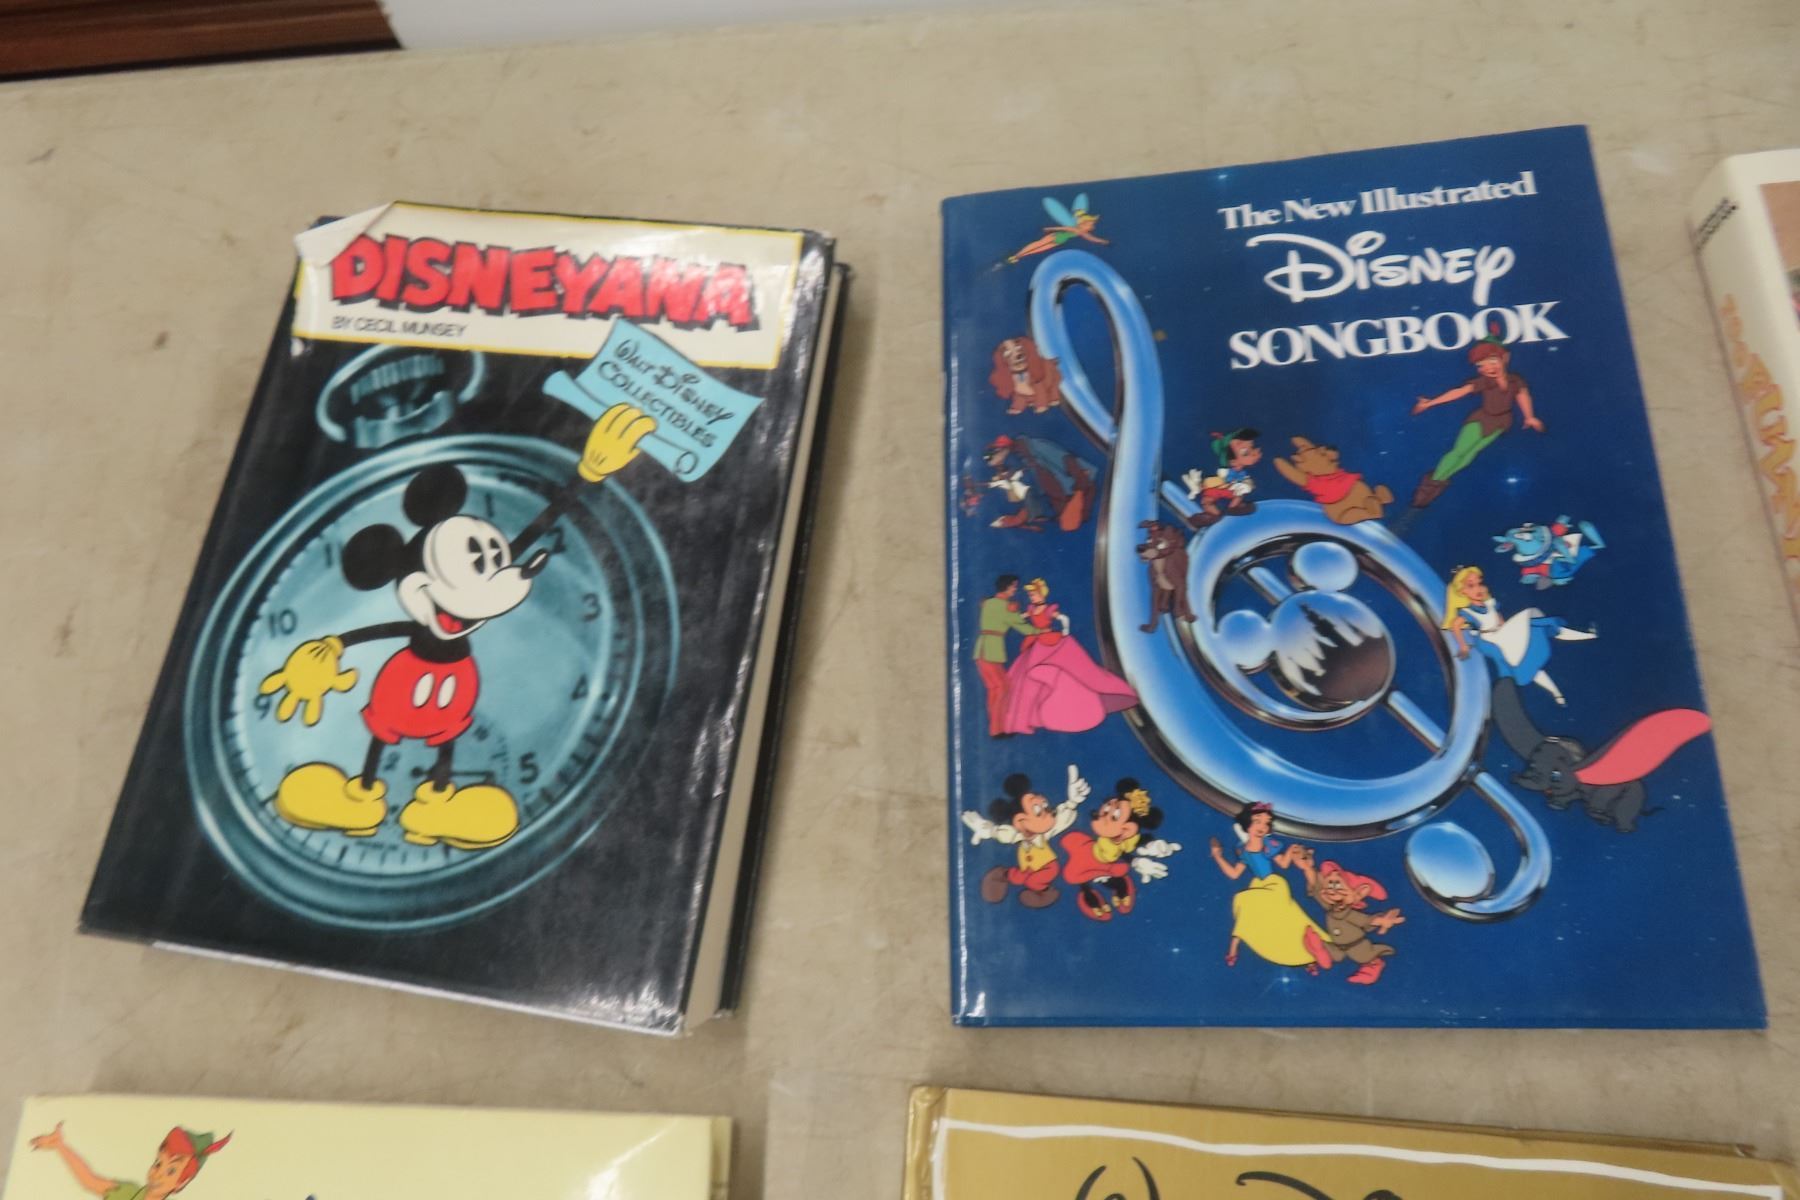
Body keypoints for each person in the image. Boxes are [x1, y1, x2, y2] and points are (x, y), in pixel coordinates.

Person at [1409, 330, 1543, 508]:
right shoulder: (1485, 381)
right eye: (1481, 365)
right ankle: (1430, 486)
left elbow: (1523, 396)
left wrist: (1529, 417)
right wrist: (1431, 403)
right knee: (1459, 452)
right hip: (1480, 421)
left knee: (1470, 455)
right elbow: (1460, 391)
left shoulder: (1515, 381)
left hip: (1501, 423)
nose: (1488, 368)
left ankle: (1439, 482)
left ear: (1505, 358)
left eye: (1492, 361)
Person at [1442, 565, 1596, 705]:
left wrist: (1508, 629)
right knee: (1534, 624)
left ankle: (1559, 693)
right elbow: (1456, 625)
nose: (1478, 588)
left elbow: (1499, 619)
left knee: (1537, 629)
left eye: (1479, 583)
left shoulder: (1489, 603)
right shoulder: (1468, 612)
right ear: (1462, 591)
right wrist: (1463, 646)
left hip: (1502, 633)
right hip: (1490, 640)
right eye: (1471, 585)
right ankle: (1557, 691)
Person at [1000, 579, 1138, 735]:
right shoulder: (1032, 609)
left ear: (1041, 594)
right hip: (1036, 643)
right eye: (1030, 595)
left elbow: (1063, 618)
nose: (1032, 597)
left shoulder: (1048, 609)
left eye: (1034, 594)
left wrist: (1065, 631)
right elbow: (1021, 617)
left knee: (1050, 671)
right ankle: (1025, 715)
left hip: (1049, 642)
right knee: (1026, 678)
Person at [1207, 803, 1332, 970]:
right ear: (1247, 824)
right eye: (1257, 821)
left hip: (1275, 885)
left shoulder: (1269, 845)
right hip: (1259, 885)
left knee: (1283, 916)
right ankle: (1235, 948)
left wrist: (1290, 851)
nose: (1262, 827)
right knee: (1254, 912)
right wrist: (1218, 857)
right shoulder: (1243, 851)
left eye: (1266, 823)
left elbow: (1283, 864)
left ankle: (1310, 955)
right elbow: (1234, 874)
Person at [29, 1123, 230, 1200]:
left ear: (182, 1182)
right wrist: (60, 1146)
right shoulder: (127, 1192)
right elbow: (90, 1181)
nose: (158, 1173)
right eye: (158, 1164)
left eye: (171, 1171)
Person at [973, 574, 1038, 737]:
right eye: (1014, 586)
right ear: (1007, 587)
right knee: (1002, 688)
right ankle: (997, 729)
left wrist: (1023, 615)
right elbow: (1021, 626)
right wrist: (1041, 632)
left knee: (997, 689)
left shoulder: (990, 603)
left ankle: (997, 728)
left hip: (982, 650)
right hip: (991, 652)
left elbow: (1006, 619)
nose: (1015, 590)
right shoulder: (1005, 606)